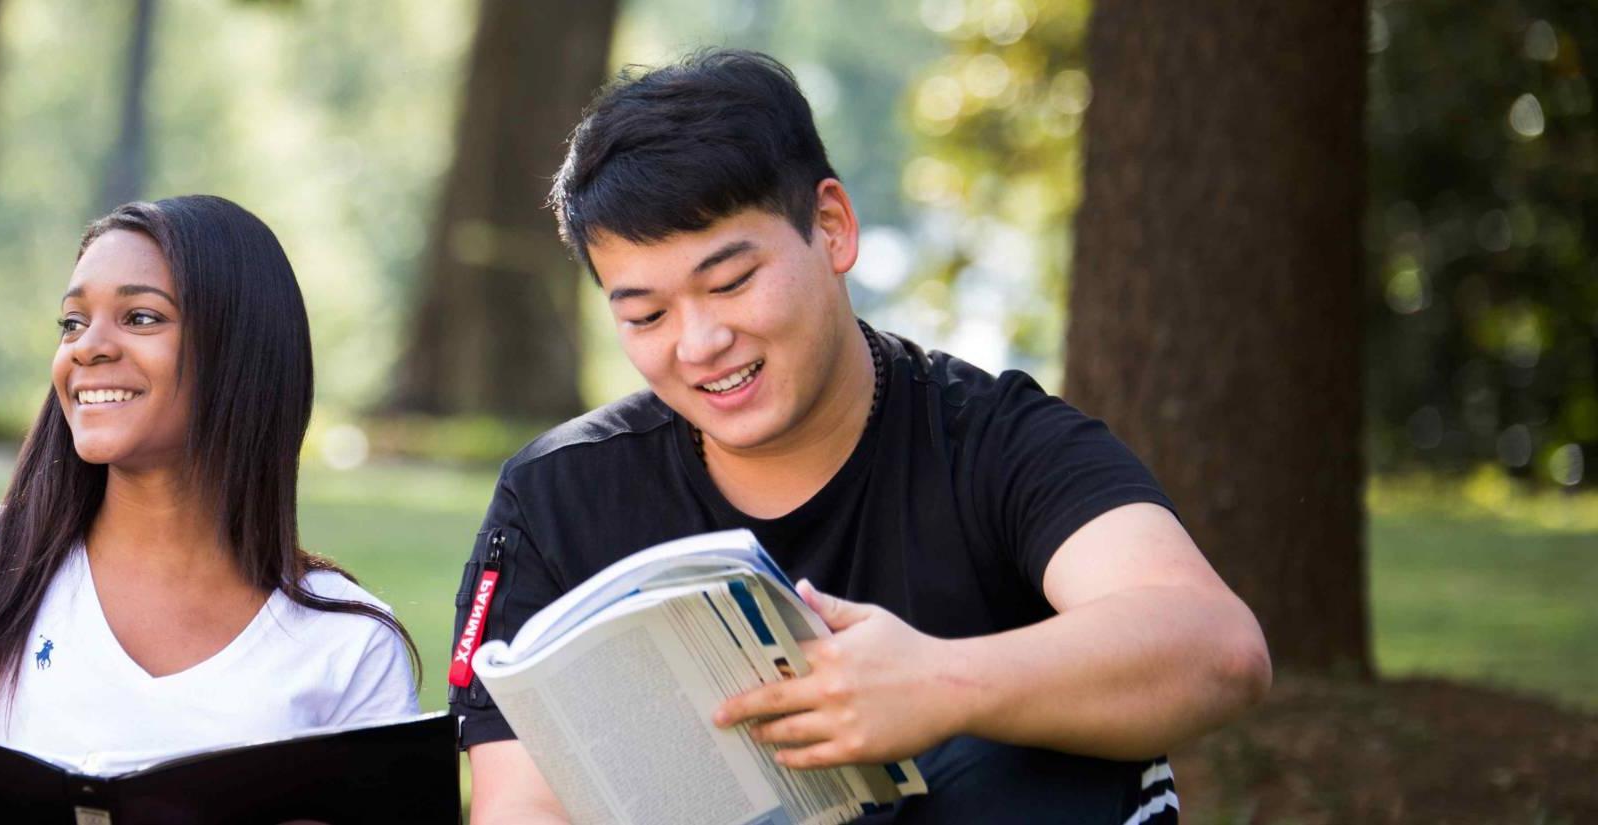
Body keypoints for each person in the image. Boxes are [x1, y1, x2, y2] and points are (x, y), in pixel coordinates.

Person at [454, 50, 1272, 824]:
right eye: (647, 314)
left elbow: (1216, 646)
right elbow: (518, 803)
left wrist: (939, 684)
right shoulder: (556, 498)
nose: (698, 343)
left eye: (732, 281)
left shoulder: (992, 440)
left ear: (833, 227)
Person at [0, 196, 421, 823]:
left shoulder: (348, 644)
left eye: (141, 317)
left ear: (241, 349)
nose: (88, 348)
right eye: (72, 322)